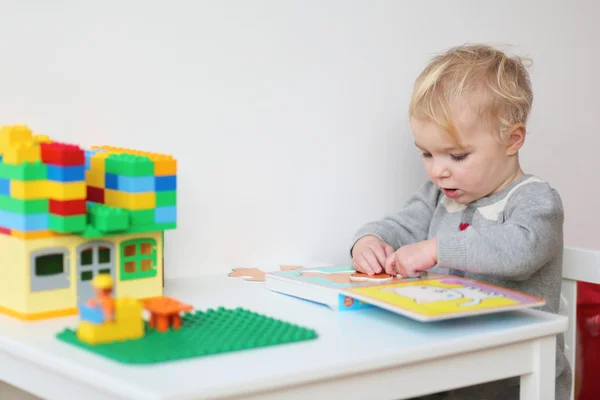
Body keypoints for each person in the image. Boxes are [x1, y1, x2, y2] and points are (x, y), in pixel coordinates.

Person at [350, 44, 571, 399]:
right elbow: (401, 225)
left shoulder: (535, 200)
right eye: (426, 153)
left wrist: (438, 249)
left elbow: (519, 251)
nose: (438, 170)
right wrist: (369, 241)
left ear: (512, 140)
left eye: (457, 155)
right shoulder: (437, 194)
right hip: (449, 368)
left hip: (518, 380)